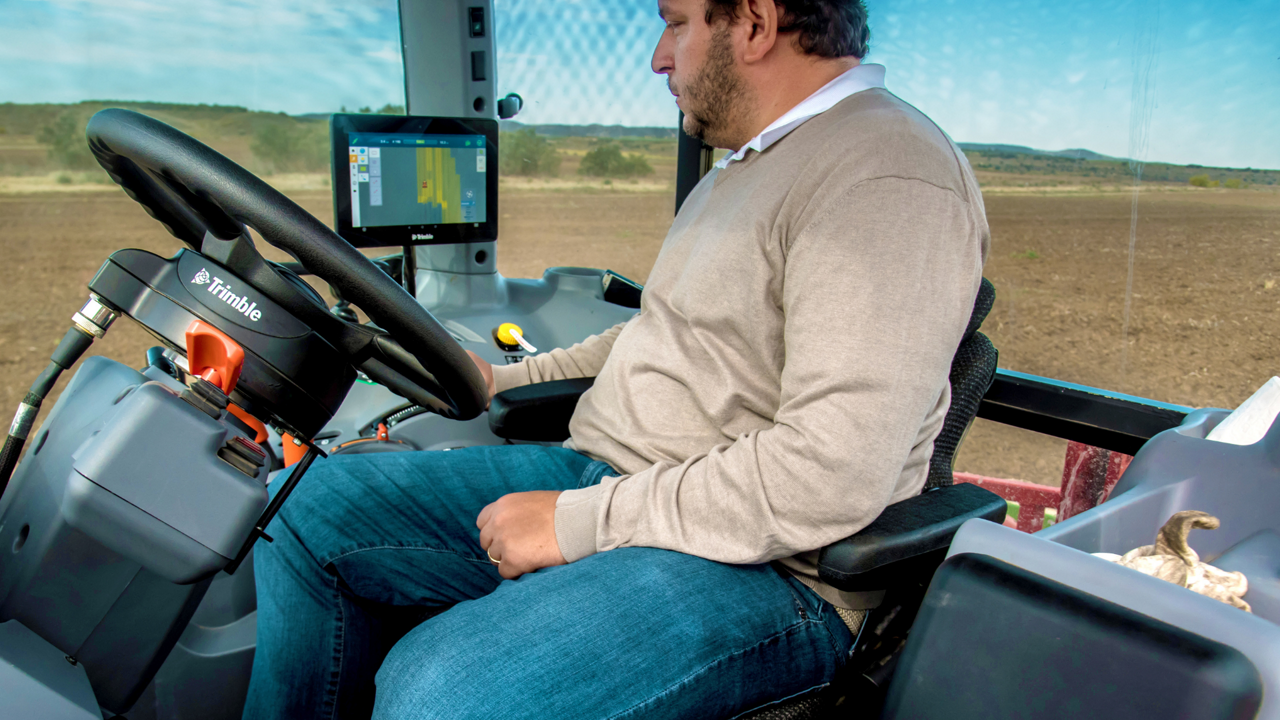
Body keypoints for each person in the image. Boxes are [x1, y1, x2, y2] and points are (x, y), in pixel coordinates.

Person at [244, 0, 989, 717]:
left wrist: (578, 522)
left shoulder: (889, 173)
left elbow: (829, 473)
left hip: (767, 568)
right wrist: (503, 377)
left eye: (676, 24)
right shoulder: (744, 168)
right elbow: (657, 330)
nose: (659, 57)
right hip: (614, 480)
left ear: (756, 23)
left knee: (439, 690)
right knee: (305, 510)